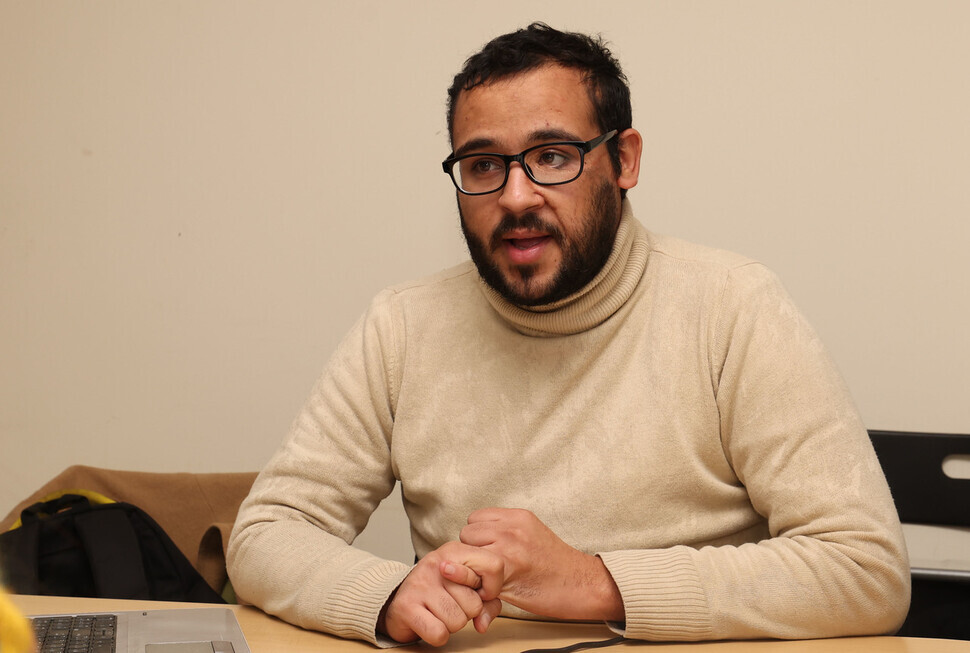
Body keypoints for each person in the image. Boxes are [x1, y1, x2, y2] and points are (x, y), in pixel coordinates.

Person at [226, 23, 910, 647]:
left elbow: (866, 568)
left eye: (553, 156)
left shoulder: (734, 307)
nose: (516, 197)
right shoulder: (401, 327)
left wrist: (596, 582)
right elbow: (266, 532)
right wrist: (386, 595)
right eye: (484, 165)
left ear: (624, 160)